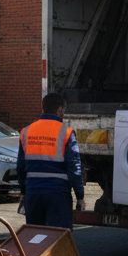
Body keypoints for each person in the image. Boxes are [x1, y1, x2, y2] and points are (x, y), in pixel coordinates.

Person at [16, 93, 85, 228]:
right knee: (59, 235)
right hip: (58, 193)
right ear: (60, 110)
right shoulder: (66, 132)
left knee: (35, 234)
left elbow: (20, 167)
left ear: (43, 108)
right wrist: (80, 196)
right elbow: (74, 169)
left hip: (33, 192)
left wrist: (24, 192)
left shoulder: (26, 131)